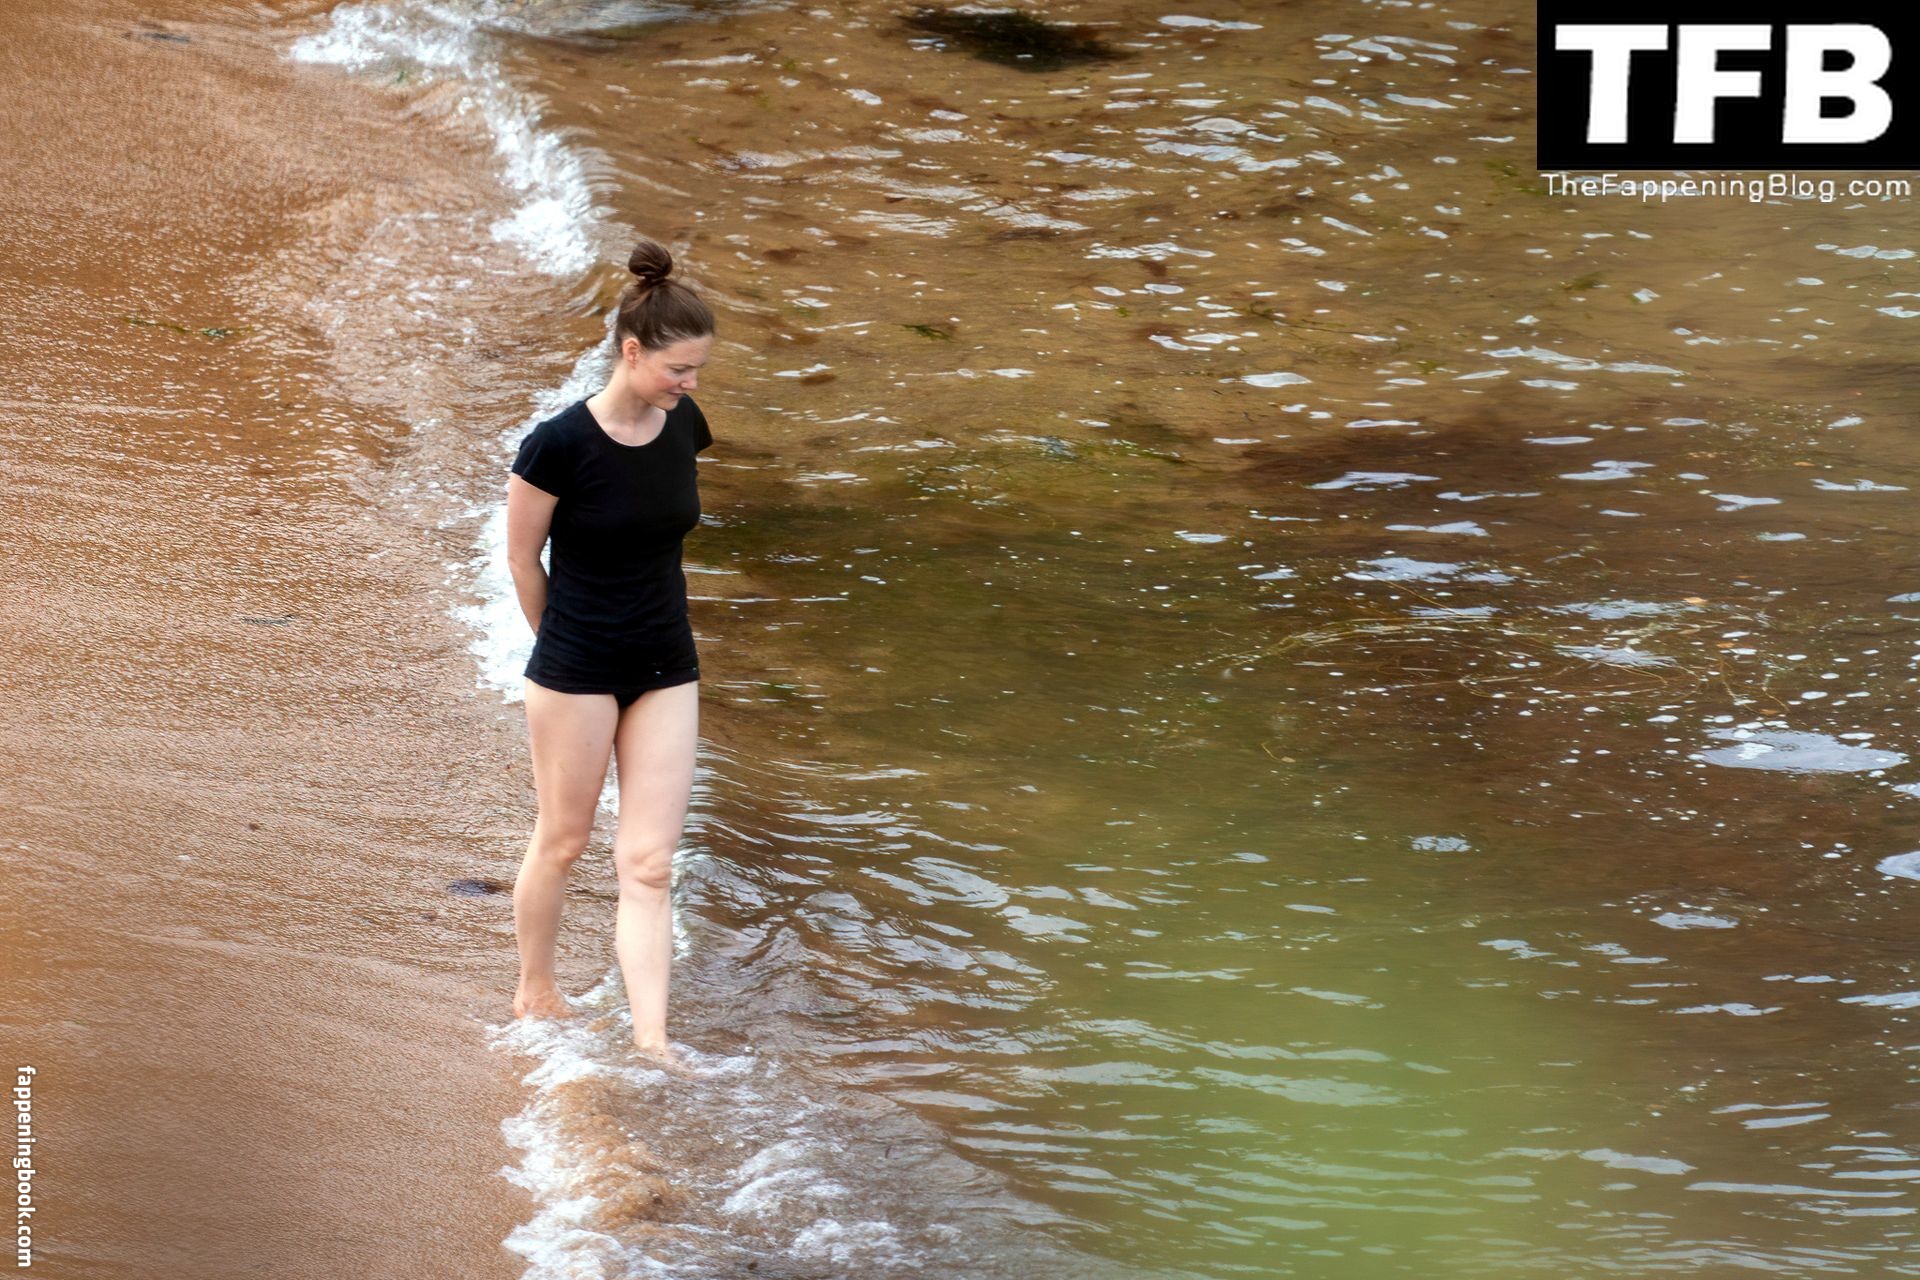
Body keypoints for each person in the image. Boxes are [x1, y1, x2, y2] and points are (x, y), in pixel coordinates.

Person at [504, 237, 715, 1065]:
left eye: (697, 370)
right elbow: (524, 560)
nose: (690, 385)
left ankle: (652, 1039)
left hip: (665, 660)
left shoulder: (683, 424)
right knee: (564, 841)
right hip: (576, 667)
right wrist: (560, 646)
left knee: (651, 864)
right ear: (632, 352)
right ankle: (535, 989)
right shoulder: (557, 445)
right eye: (678, 369)